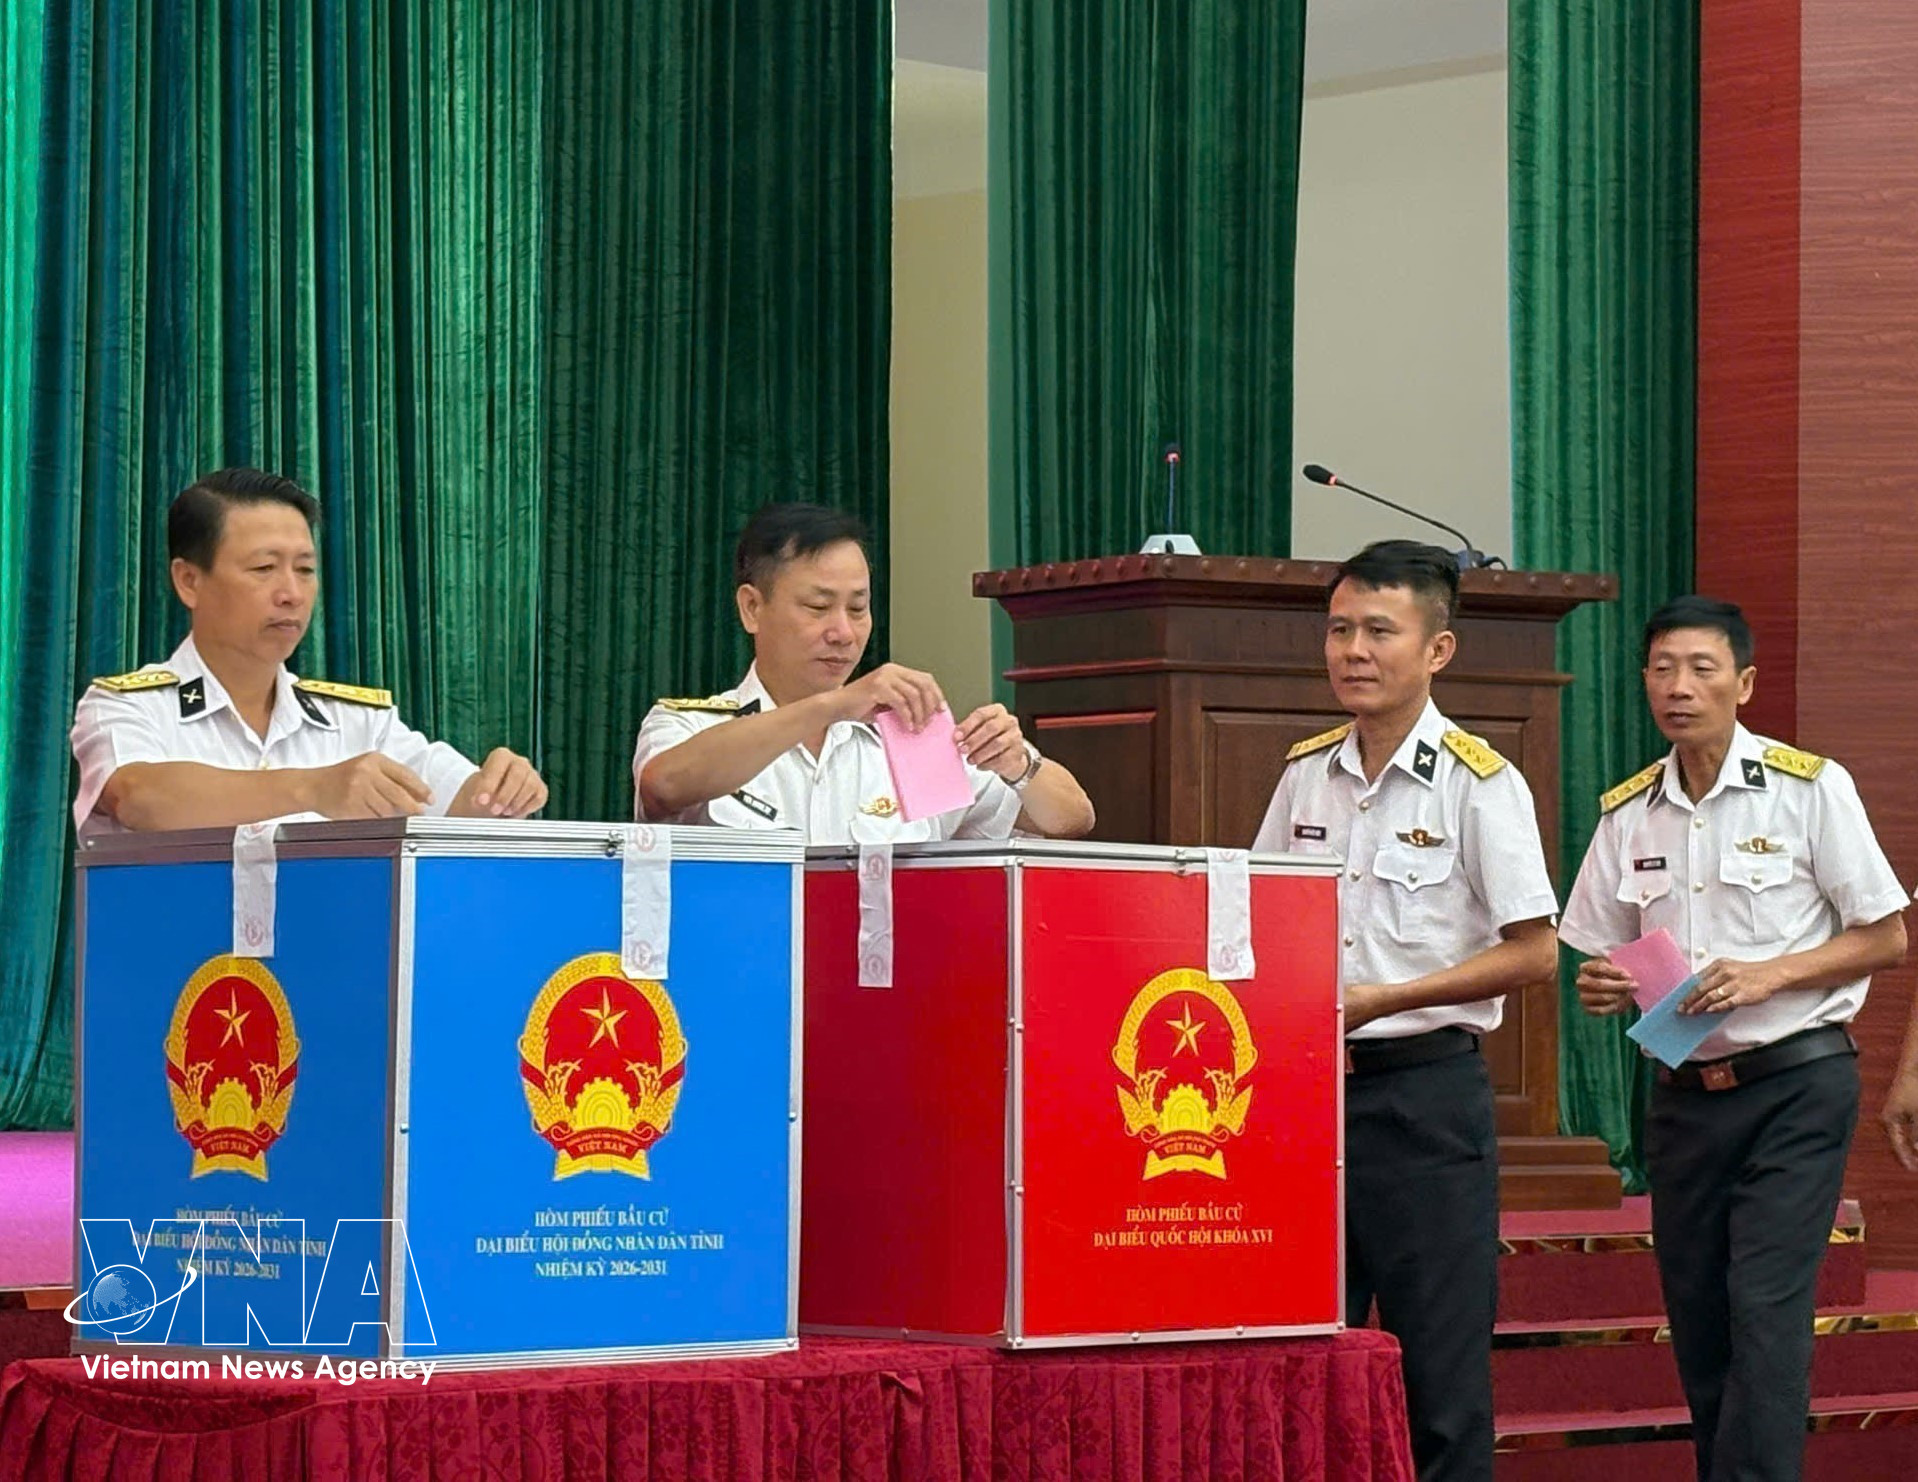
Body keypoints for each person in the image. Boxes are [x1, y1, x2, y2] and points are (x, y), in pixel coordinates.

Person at [1560, 595, 1908, 1482]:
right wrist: (1600, 982)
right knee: (1702, 1316)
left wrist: (1768, 973)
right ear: (1643, 681)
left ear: (1743, 682)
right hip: (1682, 1095)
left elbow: (1885, 934)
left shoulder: (1809, 788)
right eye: (1663, 669)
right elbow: (1599, 950)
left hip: (1797, 1084)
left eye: (1702, 669)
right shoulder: (1627, 813)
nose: (1680, 688)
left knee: (1765, 1306)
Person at [1251, 540, 1558, 1482]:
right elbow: (1261, 911)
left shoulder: (1480, 782)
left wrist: (1388, 998)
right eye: (1340, 628)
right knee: (1304, 1359)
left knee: (1439, 1380)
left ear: (1438, 651)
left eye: (1380, 631)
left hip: (1422, 1103)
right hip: (1308, 1105)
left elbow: (1535, 950)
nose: (1352, 650)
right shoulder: (1307, 774)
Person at [71, 468, 547, 836]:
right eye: (263, 568)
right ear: (188, 581)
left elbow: (454, 804)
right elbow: (140, 796)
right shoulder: (127, 705)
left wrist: (501, 791)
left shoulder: (357, 722)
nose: (291, 594)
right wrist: (315, 787)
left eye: (305, 569)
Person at [632, 502, 1094, 844]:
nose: (843, 632)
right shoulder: (692, 725)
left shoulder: (910, 742)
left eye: (858, 608)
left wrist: (1017, 764)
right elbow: (665, 786)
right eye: (818, 607)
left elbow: (1071, 819)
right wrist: (834, 705)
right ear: (752, 608)